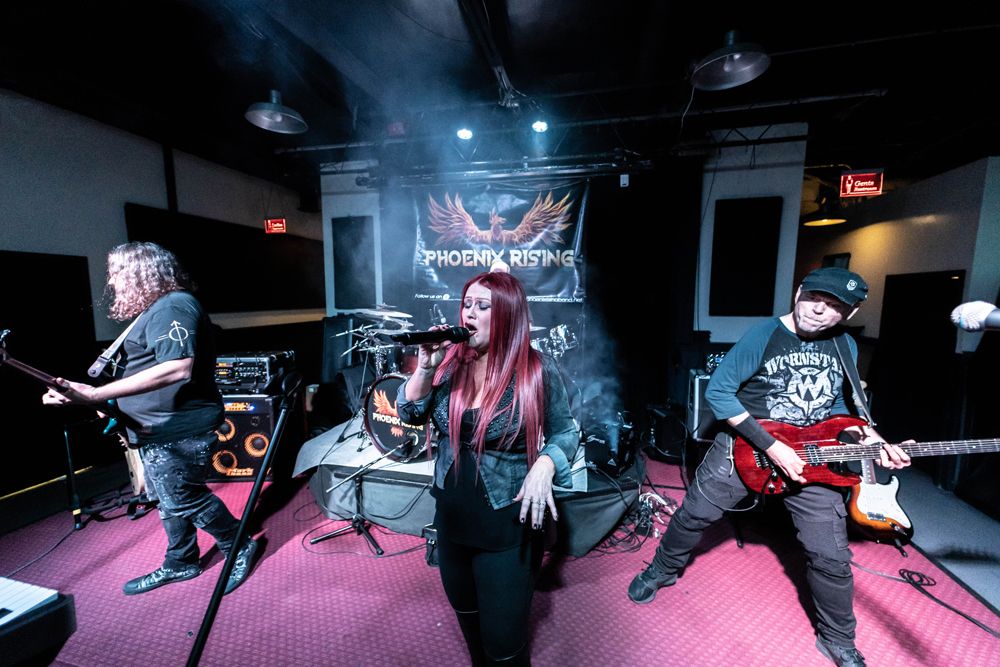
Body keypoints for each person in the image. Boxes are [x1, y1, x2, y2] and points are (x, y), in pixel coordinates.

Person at [627, 267, 912, 667]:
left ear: (849, 313)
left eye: (833, 306)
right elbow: (719, 394)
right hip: (746, 448)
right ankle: (662, 569)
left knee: (830, 556)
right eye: (814, 298)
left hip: (813, 457)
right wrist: (774, 448)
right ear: (798, 293)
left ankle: (837, 639)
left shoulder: (845, 345)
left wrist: (872, 441)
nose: (819, 310)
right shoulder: (764, 336)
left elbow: (839, 405)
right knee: (694, 515)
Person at [42, 242, 259, 596]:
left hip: (178, 427)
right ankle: (181, 561)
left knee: (183, 498)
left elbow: (177, 368)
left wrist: (96, 395)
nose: (112, 281)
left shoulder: (173, 306)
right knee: (167, 500)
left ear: (140, 273)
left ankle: (239, 543)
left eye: (117, 272)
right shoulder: (156, 311)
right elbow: (143, 370)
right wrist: (100, 396)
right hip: (155, 428)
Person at [396, 271, 578, 666]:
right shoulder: (448, 364)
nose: (469, 314)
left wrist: (546, 463)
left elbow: (566, 432)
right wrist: (425, 368)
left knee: (504, 647)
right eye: (467, 304)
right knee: (470, 626)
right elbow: (409, 413)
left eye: (482, 306)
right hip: (453, 525)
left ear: (508, 315)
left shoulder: (536, 370)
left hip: (506, 530)